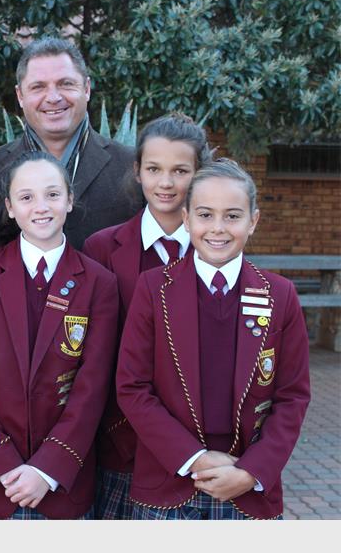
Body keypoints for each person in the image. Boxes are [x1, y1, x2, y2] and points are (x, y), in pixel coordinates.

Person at [116, 158, 311, 520]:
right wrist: (195, 459)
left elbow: (293, 396)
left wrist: (253, 471)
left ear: (253, 221)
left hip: (248, 485)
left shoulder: (280, 295)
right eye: (205, 215)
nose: (218, 228)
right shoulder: (154, 288)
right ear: (186, 218)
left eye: (232, 216)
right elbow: (132, 387)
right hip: (168, 482)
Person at [0, 150, 119, 519]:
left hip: (63, 486)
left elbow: (92, 385)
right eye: (26, 197)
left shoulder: (99, 283)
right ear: (9, 207)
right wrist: (1, 461)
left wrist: (48, 468)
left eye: (52, 194)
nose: (41, 207)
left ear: (69, 200)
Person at [82, 112, 211, 519]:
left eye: (180, 171)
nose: (166, 183)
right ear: (137, 171)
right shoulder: (102, 248)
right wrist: (119, 433)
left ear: (199, 174)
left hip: (200, 444)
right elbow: (94, 353)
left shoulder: (216, 249)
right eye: (154, 169)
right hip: (120, 444)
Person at [0, 36, 140, 250]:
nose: (53, 97)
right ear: (20, 95)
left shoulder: (132, 168)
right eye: (38, 87)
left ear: (86, 88)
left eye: (66, 84)